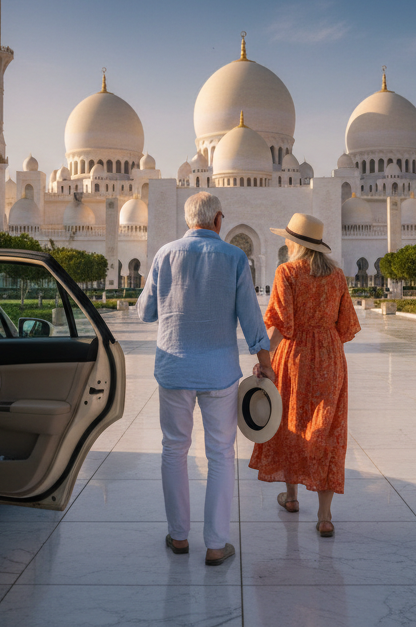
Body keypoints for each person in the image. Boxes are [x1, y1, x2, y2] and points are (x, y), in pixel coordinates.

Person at [138, 192, 273, 565]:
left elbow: (145, 312)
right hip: (219, 374)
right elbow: (251, 320)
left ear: (188, 220)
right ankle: (216, 544)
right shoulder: (234, 257)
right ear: (218, 221)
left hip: (175, 369)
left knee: (174, 450)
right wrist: (267, 364)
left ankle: (178, 537)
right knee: (220, 454)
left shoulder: (165, 255)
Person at [247, 212, 360, 537]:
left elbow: (281, 324)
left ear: (296, 243)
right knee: (328, 428)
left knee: (291, 422)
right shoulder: (337, 276)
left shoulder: (288, 272)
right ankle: (325, 516)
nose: (285, 241)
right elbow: (347, 326)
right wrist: (325, 343)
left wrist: (264, 360)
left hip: (294, 356)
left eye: (288, 237)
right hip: (330, 355)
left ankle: (292, 496)